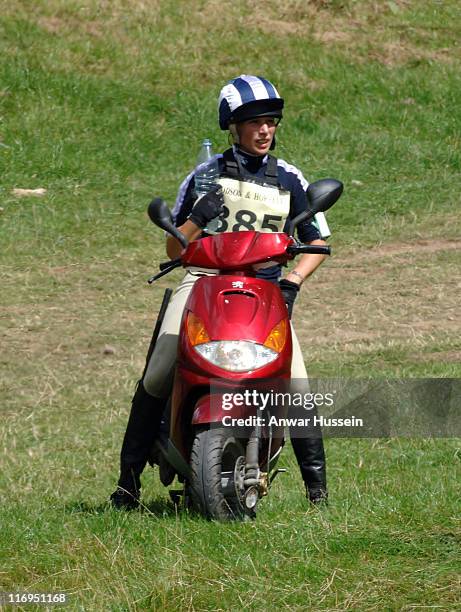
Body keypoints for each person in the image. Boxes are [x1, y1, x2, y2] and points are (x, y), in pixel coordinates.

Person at [111, 75, 329, 510]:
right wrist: (197, 217)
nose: (265, 130)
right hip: (203, 283)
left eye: (270, 122)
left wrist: (292, 281)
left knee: (300, 386)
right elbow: (175, 247)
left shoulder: (289, 177)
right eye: (254, 122)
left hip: (265, 291)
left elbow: (317, 243)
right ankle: (126, 484)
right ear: (234, 126)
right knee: (157, 372)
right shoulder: (204, 176)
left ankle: (317, 494)